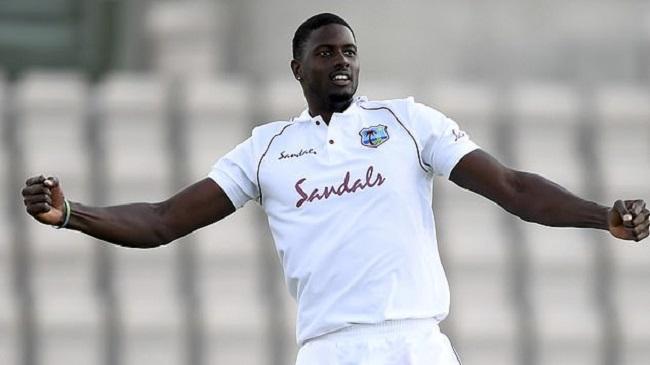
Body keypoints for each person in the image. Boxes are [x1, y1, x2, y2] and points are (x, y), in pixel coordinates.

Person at [21, 12, 649, 365]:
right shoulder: (266, 149)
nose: (341, 61)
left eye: (349, 51)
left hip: (415, 343)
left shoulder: (406, 120)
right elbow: (162, 220)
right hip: (330, 350)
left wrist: (602, 217)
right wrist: (71, 213)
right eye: (325, 54)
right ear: (298, 68)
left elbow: (513, 187)